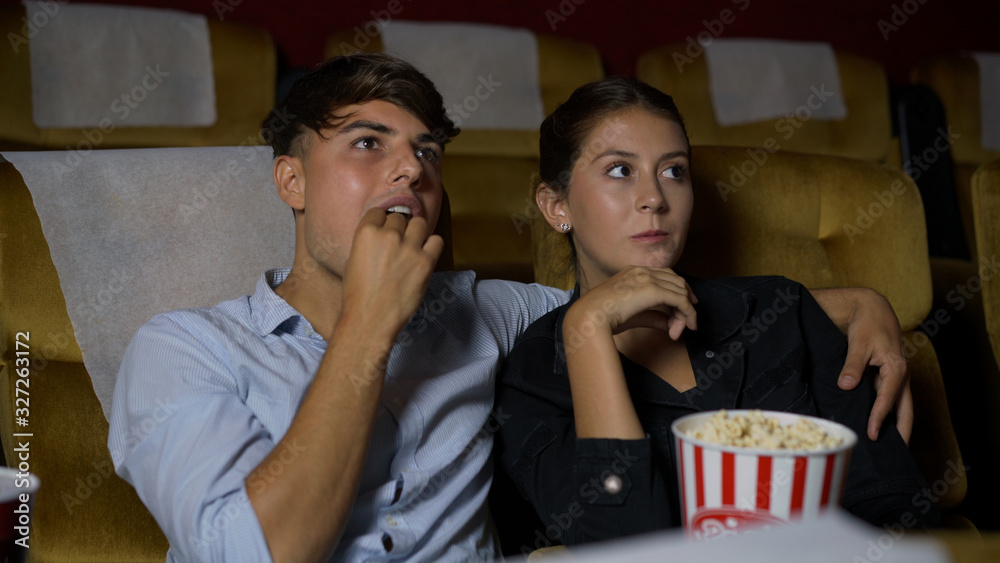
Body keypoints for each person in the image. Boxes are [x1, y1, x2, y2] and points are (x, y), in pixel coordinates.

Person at [107, 54, 916, 562]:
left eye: (425, 152)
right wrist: (367, 322)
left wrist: (856, 301)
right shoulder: (184, 348)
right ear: (290, 180)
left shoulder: (489, 315)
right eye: (367, 144)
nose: (408, 173)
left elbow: (629, 300)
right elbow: (258, 554)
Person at [493, 76, 940, 549]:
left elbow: (894, 505)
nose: (655, 198)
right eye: (620, 171)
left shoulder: (782, 311)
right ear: (556, 205)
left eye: (674, 171)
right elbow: (626, 548)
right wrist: (589, 326)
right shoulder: (533, 375)